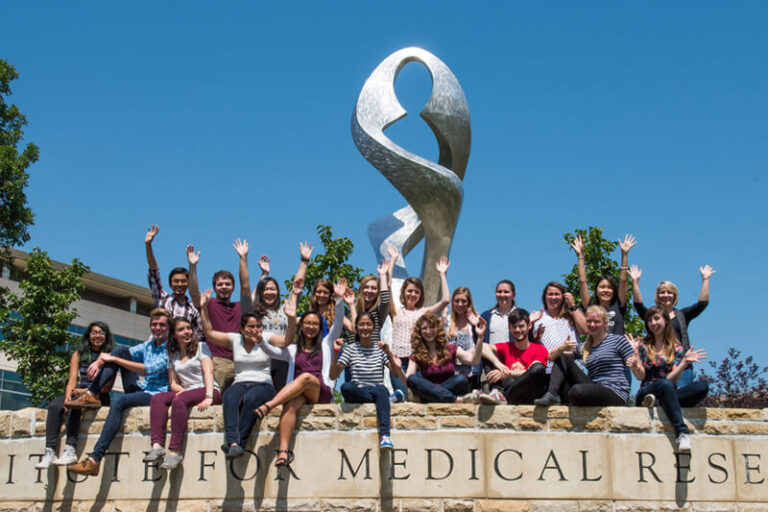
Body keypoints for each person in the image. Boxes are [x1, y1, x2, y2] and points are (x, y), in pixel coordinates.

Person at [252, 280, 347, 467]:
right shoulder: (293, 349)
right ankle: (284, 452)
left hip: (321, 391)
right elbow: (273, 352)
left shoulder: (327, 344)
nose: (311, 327)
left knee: (304, 377)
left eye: (315, 324)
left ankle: (269, 405)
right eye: (307, 324)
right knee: (289, 407)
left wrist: (339, 300)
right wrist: (260, 341)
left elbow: (337, 324)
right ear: (301, 327)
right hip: (300, 393)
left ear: (319, 327)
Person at [68, 309, 172, 476]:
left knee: (118, 401)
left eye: (162, 324)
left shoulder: (172, 348)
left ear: (169, 327)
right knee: (120, 350)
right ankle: (93, 393)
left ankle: (95, 459)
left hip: (158, 394)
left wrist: (111, 359)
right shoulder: (148, 346)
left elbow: (148, 370)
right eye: (154, 324)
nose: (157, 327)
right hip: (143, 389)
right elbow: (122, 354)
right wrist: (101, 360)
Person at [200, 290, 295, 459]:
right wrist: (203, 308)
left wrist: (291, 319)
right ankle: (234, 442)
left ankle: (237, 443)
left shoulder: (266, 337)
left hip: (263, 384)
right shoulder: (235, 339)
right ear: (243, 330)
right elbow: (209, 334)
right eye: (251, 326)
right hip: (240, 382)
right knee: (229, 397)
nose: (255, 330)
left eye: (258, 326)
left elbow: (287, 341)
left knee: (251, 398)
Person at [144, 317, 221, 470]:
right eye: (181, 329)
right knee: (157, 399)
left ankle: (175, 451)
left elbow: (209, 371)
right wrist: (183, 392)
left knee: (179, 401)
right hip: (187, 391)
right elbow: (173, 383)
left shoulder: (202, 347)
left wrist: (209, 396)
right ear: (173, 334)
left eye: (188, 328)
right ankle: (157, 446)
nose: (187, 332)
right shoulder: (172, 353)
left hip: (208, 389)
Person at [628, 306, 709, 451]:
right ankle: (682, 432)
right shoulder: (643, 345)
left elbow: (671, 380)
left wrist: (684, 363)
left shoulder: (676, 348)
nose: (653, 323)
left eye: (656, 319)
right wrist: (634, 360)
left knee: (702, 387)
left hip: (668, 388)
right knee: (664, 385)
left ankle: (660, 402)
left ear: (666, 321)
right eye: (650, 320)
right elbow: (641, 376)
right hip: (647, 390)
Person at [36, 322, 115, 469]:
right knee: (54, 406)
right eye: (94, 332)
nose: (97, 335)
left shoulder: (109, 357)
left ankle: (70, 448)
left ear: (106, 336)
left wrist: (86, 391)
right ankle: (50, 450)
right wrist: (67, 397)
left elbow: (107, 387)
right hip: (78, 391)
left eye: (101, 332)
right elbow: (72, 379)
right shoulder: (78, 354)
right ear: (88, 336)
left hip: (98, 395)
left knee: (76, 405)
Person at [629, 264, 715, 387]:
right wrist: (635, 281)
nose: (666, 295)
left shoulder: (682, 315)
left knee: (682, 397)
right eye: (662, 292)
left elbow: (702, 304)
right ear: (657, 296)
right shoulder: (653, 318)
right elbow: (638, 305)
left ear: (674, 295)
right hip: (658, 366)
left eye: (669, 292)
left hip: (681, 365)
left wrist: (705, 279)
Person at [243, 242, 312, 391]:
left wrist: (304, 262)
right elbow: (251, 297)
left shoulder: (285, 309)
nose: (269, 292)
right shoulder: (255, 312)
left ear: (278, 292)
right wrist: (264, 275)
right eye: (266, 290)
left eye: (273, 289)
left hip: (282, 358)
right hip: (260, 359)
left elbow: (297, 286)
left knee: (281, 395)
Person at [535, 305, 634, 406]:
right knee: (562, 356)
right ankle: (552, 394)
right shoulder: (585, 347)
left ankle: (573, 402)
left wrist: (634, 362)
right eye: (589, 321)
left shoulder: (618, 340)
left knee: (576, 391)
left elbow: (636, 367)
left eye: (596, 321)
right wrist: (562, 348)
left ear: (605, 323)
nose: (592, 324)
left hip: (615, 392)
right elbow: (551, 357)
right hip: (594, 388)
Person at [333, 313, 406, 449]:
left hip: (377, 389)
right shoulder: (350, 349)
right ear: (357, 327)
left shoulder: (380, 350)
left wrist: (389, 354)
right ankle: (386, 400)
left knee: (381, 389)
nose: (365, 327)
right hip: (358, 391)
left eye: (368, 324)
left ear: (374, 328)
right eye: (362, 324)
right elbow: (333, 375)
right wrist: (336, 353)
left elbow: (395, 374)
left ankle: (385, 435)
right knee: (346, 387)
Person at [186, 240, 252, 391]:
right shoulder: (210, 303)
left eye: (228, 284)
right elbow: (194, 292)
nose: (224, 287)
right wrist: (192, 266)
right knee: (215, 399)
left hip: (240, 361)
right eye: (220, 284)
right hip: (217, 362)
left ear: (233, 287)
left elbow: (246, 287)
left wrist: (243, 258)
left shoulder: (240, 306)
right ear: (214, 287)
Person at [390, 254, 451, 396]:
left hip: (418, 361)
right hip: (399, 361)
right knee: (403, 395)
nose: (412, 294)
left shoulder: (424, 312)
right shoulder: (395, 311)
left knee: (420, 397)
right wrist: (392, 262)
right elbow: (386, 288)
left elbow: (446, 300)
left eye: (416, 292)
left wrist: (442, 274)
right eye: (409, 291)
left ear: (420, 295)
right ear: (404, 292)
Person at [405, 313, 485, 403]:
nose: (428, 331)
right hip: (429, 388)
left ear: (437, 329)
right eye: (424, 328)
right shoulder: (417, 354)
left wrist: (480, 337)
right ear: (419, 331)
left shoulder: (450, 348)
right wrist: (398, 367)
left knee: (461, 379)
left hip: (445, 388)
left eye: (432, 327)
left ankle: (430, 398)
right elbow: (408, 379)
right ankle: (454, 399)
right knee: (412, 379)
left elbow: (474, 360)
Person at [571, 234, 636, 334]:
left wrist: (624, 254)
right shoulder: (591, 307)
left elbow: (623, 281)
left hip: (616, 349)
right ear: (596, 291)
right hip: (597, 349)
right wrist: (581, 256)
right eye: (602, 287)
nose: (606, 290)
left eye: (609, 288)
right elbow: (582, 282)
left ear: (614, 291)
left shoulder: (619, 305)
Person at [480, 309, 548, 405]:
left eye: (521, 326)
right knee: (488, 356)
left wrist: (508, 373)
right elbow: (482, 347)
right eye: (514, 327)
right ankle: (497, 391)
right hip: (511, 392)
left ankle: (500, 393)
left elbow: (535, 372)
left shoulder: (540, 349)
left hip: (530, 393)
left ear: (529, 326)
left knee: (537, 369)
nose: (517, 330)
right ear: (509, 328)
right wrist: (497, 363)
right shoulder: (506, 347)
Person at [145, 224, 201, 337]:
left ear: (188, 284)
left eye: (183, 281)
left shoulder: (193, 308)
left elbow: (198, 334)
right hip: (160, 348)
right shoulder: (162, 299)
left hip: (182, 351)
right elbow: (153, 271)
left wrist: (192, 265)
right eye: (176, 281)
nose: (179, 284)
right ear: (170, 284)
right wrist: (148, 245)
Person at [530, 282, 587, 374]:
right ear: (545, 297)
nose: (553, 297)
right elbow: (530, 345)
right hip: (549, 369)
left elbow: (585, 330)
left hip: (573, 367)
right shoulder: (538, 317)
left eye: (557, 294)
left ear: (563, 297)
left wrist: (572, 305)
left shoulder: (571, 315)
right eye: (550, 294)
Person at [444, 286, 484, 388]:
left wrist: (477, 326)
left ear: (469, 302)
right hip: (450, 372)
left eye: (463, 301)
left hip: (471, 372)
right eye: (457, 301)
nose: (460, 304)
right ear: (452, 302)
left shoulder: (475, 321)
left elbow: (480, 347)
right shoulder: (446, 321)